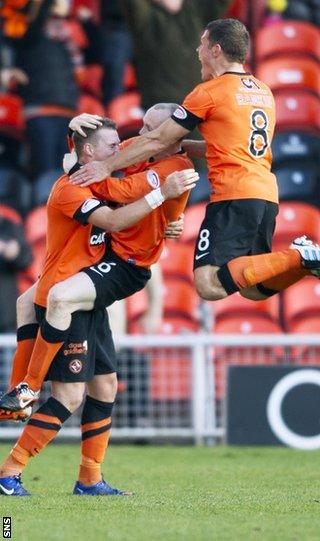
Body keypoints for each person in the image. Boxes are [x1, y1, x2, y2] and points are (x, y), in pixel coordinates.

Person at [0, 111, 197, 496]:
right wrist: (162, 195)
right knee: (70, 393)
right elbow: (114, 218)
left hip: (99, 278)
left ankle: (90, 478)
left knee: (105, 386)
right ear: (90, 152)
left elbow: (168, 151)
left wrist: (169, 215)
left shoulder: (142, 158)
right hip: (79, 287)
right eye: (115, 143)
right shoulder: (73, 185)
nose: (132, 139)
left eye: (147, 130)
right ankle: (11, 466)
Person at [69, 18, 320, 304]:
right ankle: (301, 260)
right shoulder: (263, 91)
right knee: (253, 288)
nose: (197, 52)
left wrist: (105, 166)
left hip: (233, 196)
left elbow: (158, 139)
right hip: (265, 195)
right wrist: (186, 146)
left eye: (201, 45)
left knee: (208, 284)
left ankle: (299, 254)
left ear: (215, 50)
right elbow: (230, 146)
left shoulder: (209, 92)